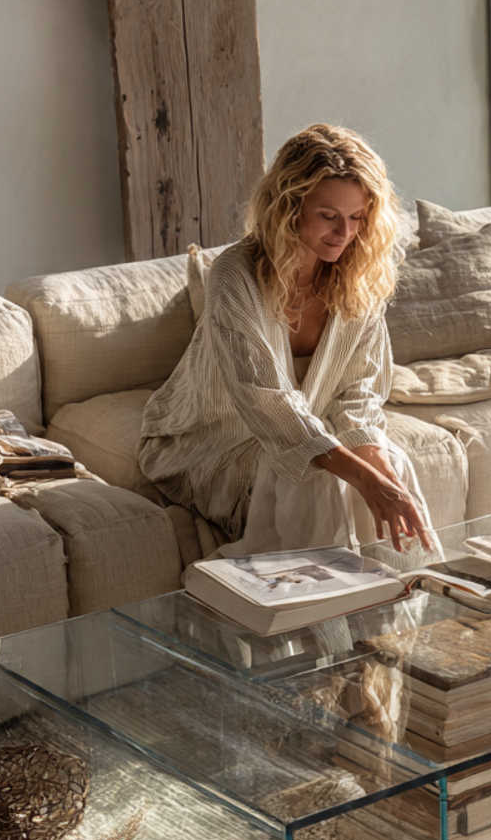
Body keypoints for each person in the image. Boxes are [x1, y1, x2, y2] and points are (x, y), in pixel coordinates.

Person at [138, 124, 435, 557]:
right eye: (328, 216)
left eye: (357, 218)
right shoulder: (235, 275)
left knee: (395, 466)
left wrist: (379, 467)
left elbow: (358, 393)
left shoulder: (359, 277)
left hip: (305, 427)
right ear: (288, 206)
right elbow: (270, 404)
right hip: (214, 442)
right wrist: (364, 478)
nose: (344, 233)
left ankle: (406, 608)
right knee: (313, 478)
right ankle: (319, 613)